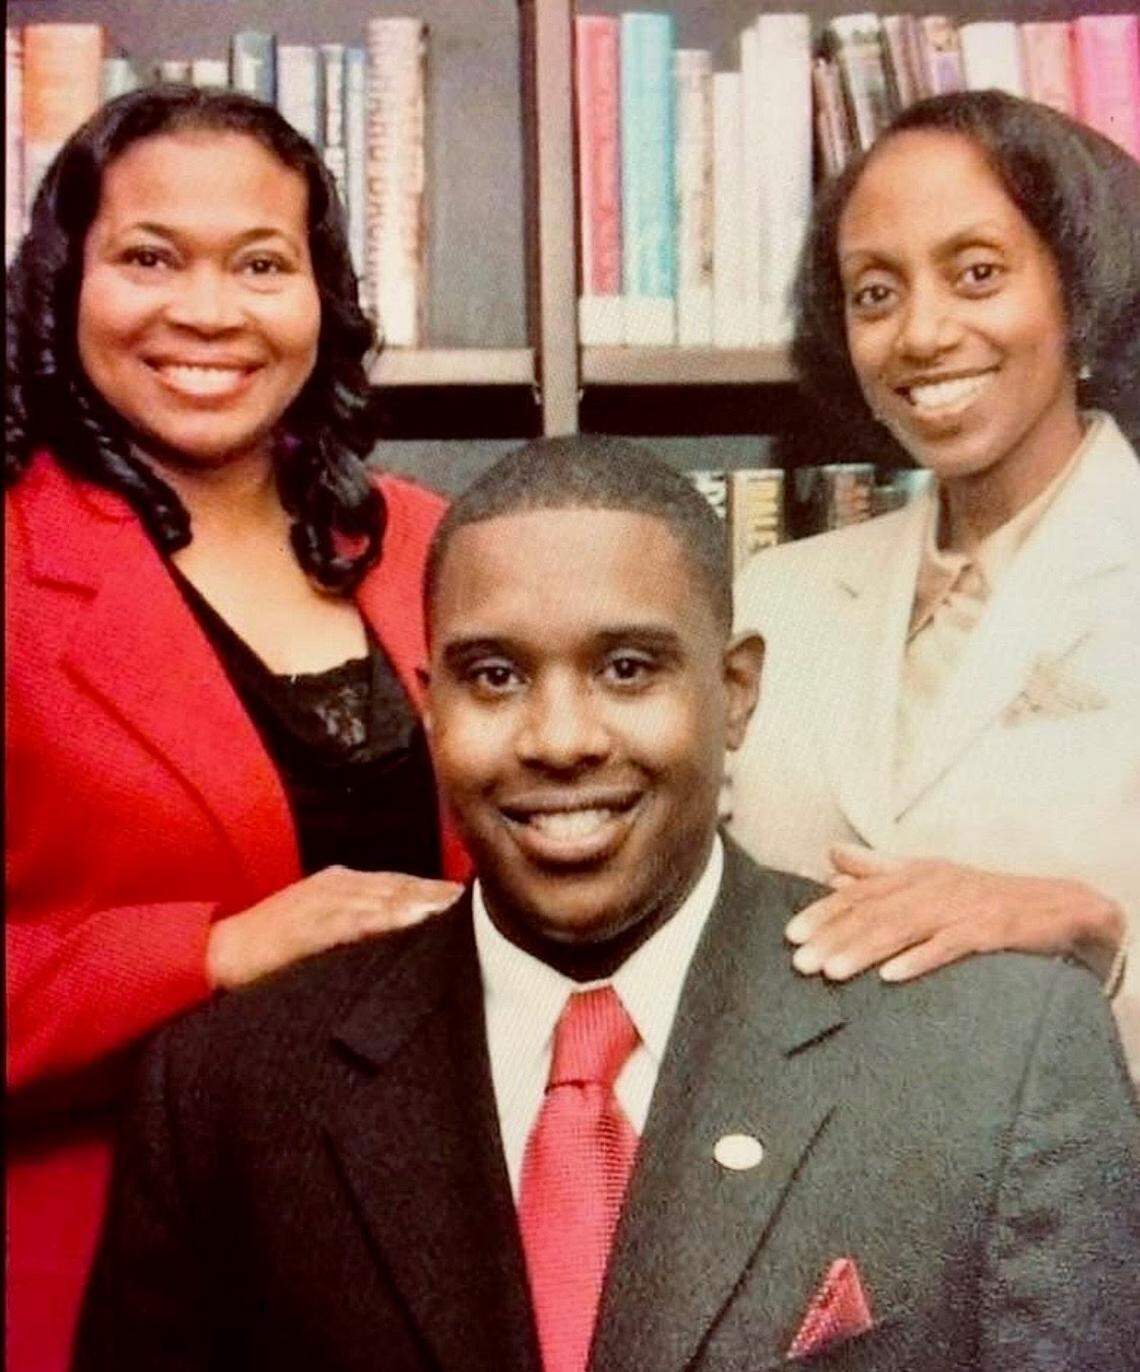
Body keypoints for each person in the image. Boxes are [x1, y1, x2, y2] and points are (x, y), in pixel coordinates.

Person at [75, 437, 1139, 1372]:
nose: (561, 736)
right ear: (429, 700)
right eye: (494, 676)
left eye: (628, 668)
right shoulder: (226, 1098)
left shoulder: (1002, 1058)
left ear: (736, 693)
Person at [5, 86, 466, 1372]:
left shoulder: (431, 544)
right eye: (150, 257)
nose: (208, 311)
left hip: (424, 1260)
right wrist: (215, 953)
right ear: (63, 283)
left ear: (321, 297)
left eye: (261, 264)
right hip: (98, 1273)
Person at [729, 91, 1140, 1074]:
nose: (920, 333)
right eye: (876, 292)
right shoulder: (770, 599)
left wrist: (1101, 934)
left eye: (978, 274)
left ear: (1079, 292)